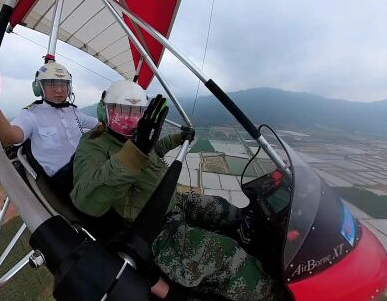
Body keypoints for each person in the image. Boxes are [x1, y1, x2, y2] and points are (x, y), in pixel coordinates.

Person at [70, 80, 282, 301]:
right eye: (122, 110)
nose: (130, 117)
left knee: (223, 207)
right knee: (229, 255)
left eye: (137, 111)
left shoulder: (138, 137)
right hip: (154, 230)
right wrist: (135, 150)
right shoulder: (93, 145)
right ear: (103, 111)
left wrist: (177, 138)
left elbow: (153, 153)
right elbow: (86, 199)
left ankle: (257, 238)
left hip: (171, 200)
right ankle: (273, 296)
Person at [0, 62, 99, 192]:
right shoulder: (31, 114)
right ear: (38, 87)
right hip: (63, 179)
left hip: (84, 166)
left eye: (63, 84)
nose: (59, 90)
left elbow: (98, 125)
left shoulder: (74, 111)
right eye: (52, 84)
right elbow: (11, 137)